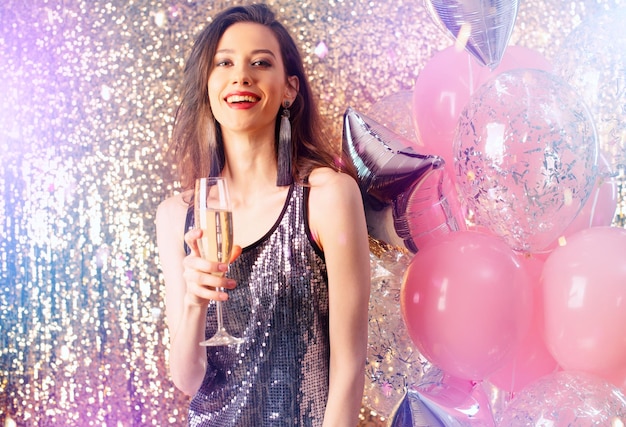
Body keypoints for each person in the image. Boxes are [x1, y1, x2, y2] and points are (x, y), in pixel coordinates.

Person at [155, 4, 371, 426]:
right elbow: (187, 379)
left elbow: (349, 370)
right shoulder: (176, 215)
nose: (241, 75)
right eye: (225, 63)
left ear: (288, 89)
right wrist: (195, 303)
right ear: (208, 84)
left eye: (260, 62)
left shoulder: (328, 197)